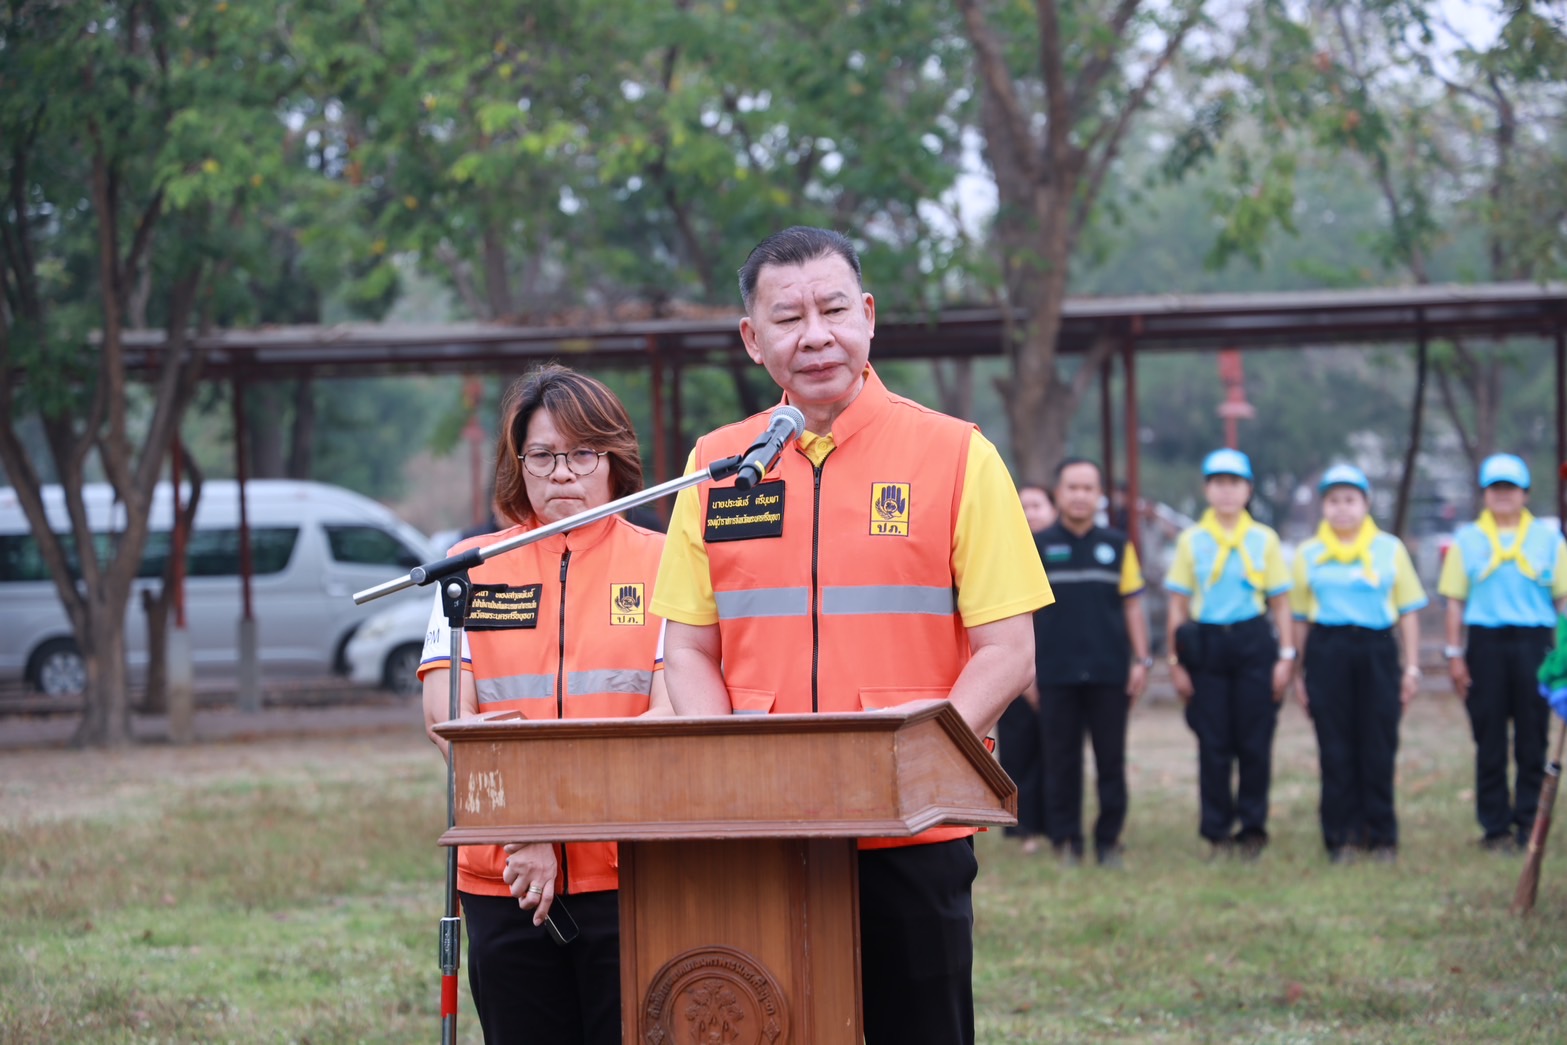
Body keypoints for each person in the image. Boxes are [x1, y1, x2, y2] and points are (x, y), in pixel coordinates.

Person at [651, 226, 1053, 1045]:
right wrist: (731, 762)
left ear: (867, 316)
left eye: (834, 308)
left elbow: (1008, 648)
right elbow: (688, 648)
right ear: (752, 339)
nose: (815, 334)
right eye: (788, 316)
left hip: (910, 823)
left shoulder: (956, 456)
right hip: (761, 823)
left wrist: (916, 758)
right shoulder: (717, 466)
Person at [418, 364, 672, 1045]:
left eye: (582, 451)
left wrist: (563, 820)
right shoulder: (465, 568)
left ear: (614, 457)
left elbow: (668, 716)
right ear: (518, 462)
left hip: (632, 872)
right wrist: (527, 831)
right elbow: (448, 718)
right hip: (504, 876)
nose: (563, 472)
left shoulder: (670, 562)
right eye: (543, 454)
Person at [1290, 464, 1427, 864]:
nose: (1342, 509)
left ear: (1366, 504)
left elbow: (1409, 611)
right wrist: (1299, 671)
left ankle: (1381, 836)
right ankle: (1341, 838)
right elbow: (1300, 617)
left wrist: (1412, 666)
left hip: (1377, 650)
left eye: (1350, 500)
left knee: (1378, 743)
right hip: (1328, 649)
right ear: (1323, 507)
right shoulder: (1309, 554)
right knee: (1335, 745)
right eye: (1333, 501)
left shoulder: (1389, 549)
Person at [1164, 448, 1294, 859]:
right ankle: (1217, 831)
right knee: (1213, 743)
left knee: (1255, 742)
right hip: (1206, 646)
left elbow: (1280, 603)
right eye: (1218, 483)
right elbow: (1178, 605)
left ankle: (1252, 828)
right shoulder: (1192, 541)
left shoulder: (1264, 539)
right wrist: (1176, 662)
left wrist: (1286, 656)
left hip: (1254, 642)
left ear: (1248, 489)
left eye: (1234, 483)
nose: (1226, 491)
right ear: (1207, 489)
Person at [1438, 453, 1567, 853]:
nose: (1503, 496)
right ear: (1484, 495)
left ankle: (1529, 822)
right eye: (1495, 489)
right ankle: (1494, 828)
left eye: (1510, 488)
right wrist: (1455, 654)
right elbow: (1455, 602)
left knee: (1532, 738)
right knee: (1489, 738)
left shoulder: (1550, 540)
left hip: (1534, 644)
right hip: (1486, 645)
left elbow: (1562, 600)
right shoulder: (1468, 540)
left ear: (1525, 493)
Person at [1030, 457, 1151, 868]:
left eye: (1088, 488)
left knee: (1110, 761)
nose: (1080, 495)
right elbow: (1023, 612)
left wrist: (1142, 659)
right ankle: (1066, 841)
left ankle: (1109, 842)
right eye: (1072, 487)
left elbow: (1133, 606)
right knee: (1061, 760)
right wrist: (1024, 671)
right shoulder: (1038, 546)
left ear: (1100, 495)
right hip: (1054, 673)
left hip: (1109, 673)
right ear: (1058, 494)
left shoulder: (1118, 546)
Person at [1000, 482, 1056, 854]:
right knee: (1018, 749)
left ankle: (1055, 823)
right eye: (1024, 506)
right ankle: (1021, 826)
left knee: (1055, 752)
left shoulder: (1060, 550)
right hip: (1013, 668)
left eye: (1038, 505)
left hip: (1057, 667)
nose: (1031, 512)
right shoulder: (1005, 552)